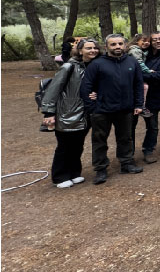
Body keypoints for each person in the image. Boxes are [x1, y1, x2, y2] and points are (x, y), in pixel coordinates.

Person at [79, 33, 145, 185]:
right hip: (102, 110)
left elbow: (138, 84)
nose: (117, 47)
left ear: (125, 45)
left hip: (125, 108)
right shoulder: (97, 64)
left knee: (126, 137)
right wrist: (92, 107)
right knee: (99, 140)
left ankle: (126, 163)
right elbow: (86, 87)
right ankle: (101, 169)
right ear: (106, 46)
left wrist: (138, 104)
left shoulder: (132, 62)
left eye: (120, 44)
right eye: (113, 44)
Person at [41, 38, 99, 188]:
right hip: (67, 112)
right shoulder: (69, 66)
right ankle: (60, 176)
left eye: (95, 48)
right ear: (80, 50)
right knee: (64, 145)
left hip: (85, 113)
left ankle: (74, 172)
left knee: (78, 144)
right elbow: (54, 89)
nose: (92, 50)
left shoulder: (95, 66)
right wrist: (48, 112)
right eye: (88, 48)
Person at [136, 32, 160, 164]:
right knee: (130, 126)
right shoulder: (142, 54)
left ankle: (148, 150)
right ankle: (127, 155)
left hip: (154, 96)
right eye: (155, 39)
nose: (158, 41)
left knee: (152, 126)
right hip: (135, 94)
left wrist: (140, 76)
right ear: (150, 42)